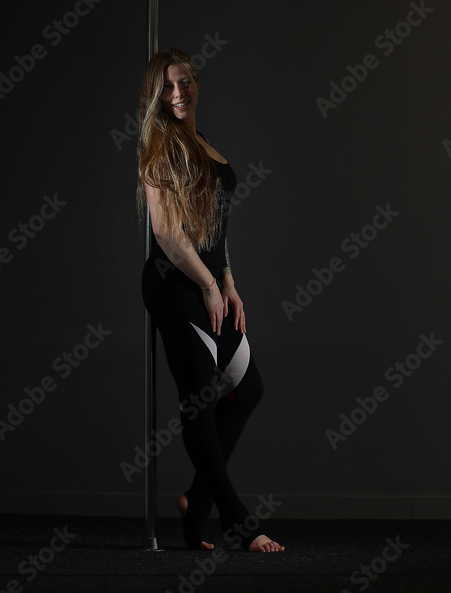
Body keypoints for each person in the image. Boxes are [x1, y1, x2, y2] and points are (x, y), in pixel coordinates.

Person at [137, 47, 283, 552]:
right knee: (199, 399)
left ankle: (196, 500)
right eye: (167, 87)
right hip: (173, 281)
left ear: (197, 84)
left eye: (185, 83)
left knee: (248, 389)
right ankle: (239, 523)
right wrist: (206, 284)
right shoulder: (160, 146)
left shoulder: (200, 142)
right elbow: (168, 234)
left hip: (207, 279)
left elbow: (213, 229)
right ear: (157, 96)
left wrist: (229, 282)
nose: (178, 94)